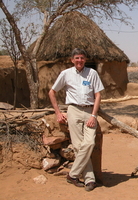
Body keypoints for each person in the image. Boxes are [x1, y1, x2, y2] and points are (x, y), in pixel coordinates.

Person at [49, 48, 104, 192]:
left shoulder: (92, 74)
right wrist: (58, 113)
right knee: (79, 146)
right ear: (72, 60)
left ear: (85, 60)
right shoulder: (65, 74)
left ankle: (72, 174)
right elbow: (52, 92)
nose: (80, 60)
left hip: (89, 111)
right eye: (77, 58)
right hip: (73, 110)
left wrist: (93, 115)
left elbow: (98, 95)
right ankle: (90, 179)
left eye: (82, 58)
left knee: (89, 142)